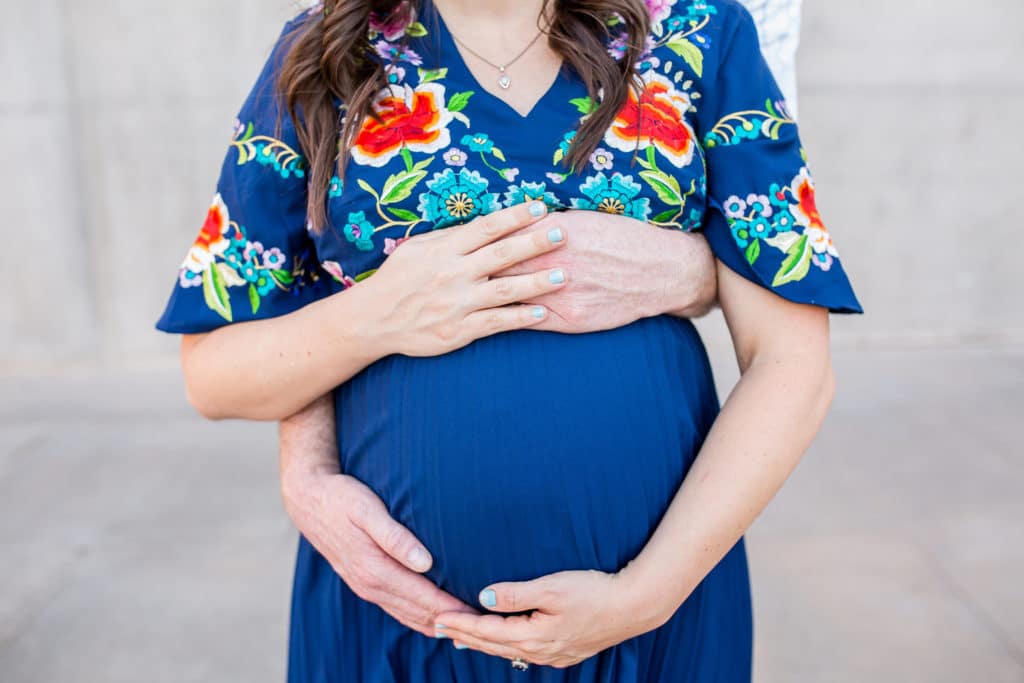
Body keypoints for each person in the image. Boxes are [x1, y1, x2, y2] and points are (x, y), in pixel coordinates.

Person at [156, 0, 861, 680]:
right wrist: (379, 313)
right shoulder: (322, 56)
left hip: (655, 624)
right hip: (394, 630)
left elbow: (793, 363)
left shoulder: (701, 37)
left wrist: (645, 594)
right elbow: (213, 372)